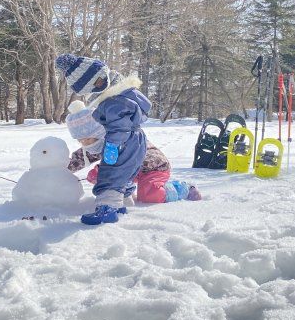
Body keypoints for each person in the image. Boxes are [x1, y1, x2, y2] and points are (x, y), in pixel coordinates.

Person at [55, 54, 151, 225]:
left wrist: (113, 144)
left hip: (123, 142)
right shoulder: (124, 94)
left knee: (109, 175)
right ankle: (118, 202)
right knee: (122, 172)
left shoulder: (115, 101)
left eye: (96, 84)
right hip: (135, 140)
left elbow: (119, 127)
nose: (94, 90)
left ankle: (107, 209)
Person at [64, 100, 201, 204]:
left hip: (153, 167)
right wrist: (58, 170)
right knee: (102, 176)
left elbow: (122, 162)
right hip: (130, 171)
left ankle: (182, 189)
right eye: (81, 141)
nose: (86, 144)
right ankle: (125, 189)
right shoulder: (93, 145)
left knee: (149, 196)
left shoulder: (119, 140)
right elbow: (78, 160)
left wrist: (101, 171)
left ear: (100, 132)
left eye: (88, 139)